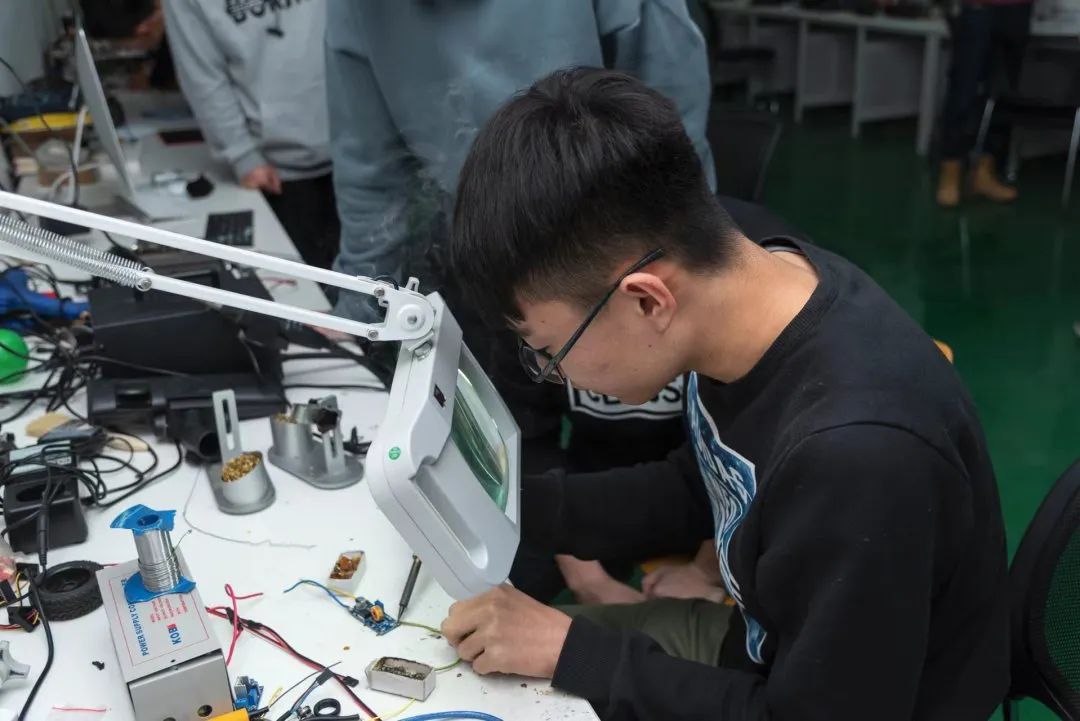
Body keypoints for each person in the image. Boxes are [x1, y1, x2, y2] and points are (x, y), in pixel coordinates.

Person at [443, 68, 1010, 720]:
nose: (552, 372)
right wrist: (518, 505)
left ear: (647, 300)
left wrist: (575, 652)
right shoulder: (760, 281)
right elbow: (706, 486)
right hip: (763, 653)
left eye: (549, 349)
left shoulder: (857, 458)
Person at [325, 0, 717, 605]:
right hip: (488, 255)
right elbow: (368, 164)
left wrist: (710, 567)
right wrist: (358, 299)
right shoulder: (358, 13)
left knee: (661, 424)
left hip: (620, 244)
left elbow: (675, 118)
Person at [163, 0, 338, 268]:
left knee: (377, 281)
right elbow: (203, 76)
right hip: (278, 173)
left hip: (363, 155)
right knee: (306, 281)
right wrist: (242, 155)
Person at [936, 0, 1032, 207]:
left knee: (1003, 93)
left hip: (1019, 7)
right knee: (964, 87)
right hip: (978, 6)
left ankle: (984, 173)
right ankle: (950, 172)